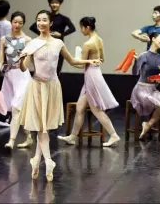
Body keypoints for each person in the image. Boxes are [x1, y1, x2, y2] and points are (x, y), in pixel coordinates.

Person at [19, 10, 101, 182]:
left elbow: (72, 61)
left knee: (45, 127)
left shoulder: (58, 43)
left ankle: (36, 160)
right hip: (37, 86)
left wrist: (89, 61)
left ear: (51, 24)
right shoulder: (32, 43)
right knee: (42, 127)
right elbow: (23, 68)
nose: (41, 23)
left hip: (53, 86)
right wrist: (21, 59)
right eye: (38, 20)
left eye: (44, 20)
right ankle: (48, 161)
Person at [57, 17, 121, 147]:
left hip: (91, 75)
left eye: (81, 28)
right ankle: (73, 137)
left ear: (86, 27)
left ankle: (114, 135)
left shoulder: (88, 44)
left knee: (95, 109)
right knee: (80, 107)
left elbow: (81, 65)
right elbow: (102, 59)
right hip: (95, 72)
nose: (81, 31)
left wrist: (75, 59)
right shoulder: (99, 40)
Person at [0, 11, 34, 149]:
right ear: (11, 22)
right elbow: (1, 59)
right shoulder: (4, 39)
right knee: (16, 109)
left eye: (20, 23)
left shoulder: (27, 40)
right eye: (15, 22)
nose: (17, 25)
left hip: (22, 76)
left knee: (16, 108)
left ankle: (11, 140)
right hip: (9, 76)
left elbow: (28, 63)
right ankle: (28, 137)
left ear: (23, 24)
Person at [29, 0, 76, 76]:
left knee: (57, 70)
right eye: (52, 3)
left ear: (60, 4)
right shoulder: (47, 17)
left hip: (58, 46)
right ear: (49, 4)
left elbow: (72, 28)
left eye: (56, 3)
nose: (54, 5)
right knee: (44, 68)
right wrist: (45, 33)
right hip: (45, 44)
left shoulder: (63, 18)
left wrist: (61, 34)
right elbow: (33, 27)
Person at [131, 5, 160, 74]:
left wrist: (154, 38)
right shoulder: (149, 28)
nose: (153, 15)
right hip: (148, 56)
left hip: (159, 57)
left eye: (156, 13)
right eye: (153, 13)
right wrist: (141, 38)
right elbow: (134, 33)